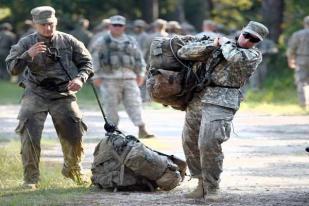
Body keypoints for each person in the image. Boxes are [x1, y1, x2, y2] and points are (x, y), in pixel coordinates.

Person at [177, 21, 269, 199]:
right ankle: (200, 182)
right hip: (199, 96)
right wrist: (211, 45)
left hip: (223, 100)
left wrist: (224, 42)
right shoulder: (218, 44)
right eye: (247, 35)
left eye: (253, 39)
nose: (248, 40)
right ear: (242, 31)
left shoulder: (252, 55)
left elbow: (234, 57)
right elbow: (184, 52)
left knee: (209, 141)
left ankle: (212, 186)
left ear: (257, 42)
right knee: (189, 140)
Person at [6, 6, 93, 189]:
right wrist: (28, 55)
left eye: (51, 24)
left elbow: (87, 63)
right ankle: (31, 179)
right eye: (43, 24)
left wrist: (80, 78)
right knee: (29, 133)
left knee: (74, 132)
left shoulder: (69, 41)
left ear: (56, 22)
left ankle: (73, 170)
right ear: (36, 25)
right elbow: (12, 68)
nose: (48, 28)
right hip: (35, 92)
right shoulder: (25, 42)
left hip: (63, 93)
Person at [92, 15, 154, 139]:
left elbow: (138, 58)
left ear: (124, 27)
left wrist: (141, 73)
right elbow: (95, 59)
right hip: (109, 78)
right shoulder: (102, 41)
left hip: (129, 78)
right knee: (110, 105)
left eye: (120, 25)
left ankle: (142, 128)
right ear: (110, 26)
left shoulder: (131, 40)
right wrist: (95, 75)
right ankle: (113, 131)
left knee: (135, 103)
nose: (117, 27)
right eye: (115, 25)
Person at [287, 16, 309, 109]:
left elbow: (291, 49)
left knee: (301, 82)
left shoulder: (298, 34)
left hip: (302, 60)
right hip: (301, 59)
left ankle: (304, 104)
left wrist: (290, 60)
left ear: (305, 24)